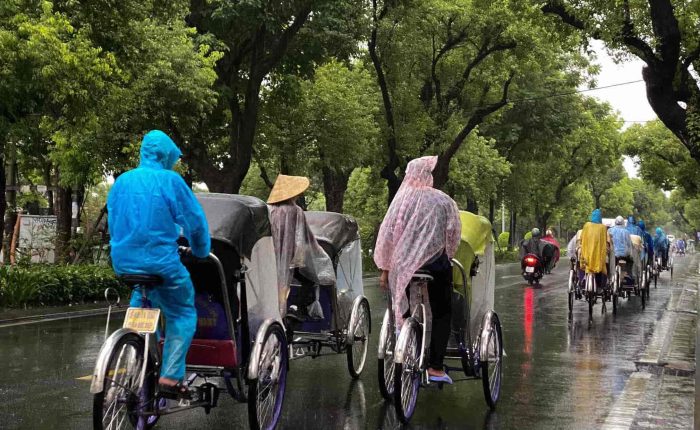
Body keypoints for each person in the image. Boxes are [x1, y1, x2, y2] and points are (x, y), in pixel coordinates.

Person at [108, 130, 211, 399]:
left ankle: (133, 355)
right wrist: (201, 251)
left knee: (142, 299)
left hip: (125, 265)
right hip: (163, 265)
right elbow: (195, 224)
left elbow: (114, 223)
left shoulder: (121, 182)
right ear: (165, 155)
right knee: (181, 313)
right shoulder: (170, 181)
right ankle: (170, 376)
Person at [374, 156, 461, 384]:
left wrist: (385, 269)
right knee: (442, 311)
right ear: (428, 175)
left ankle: (408, 341)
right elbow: (453, 235)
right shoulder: (444, 201)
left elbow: (388, 235)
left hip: (403, 267)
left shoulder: (401, 201)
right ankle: (435, 367)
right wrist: (448, 255)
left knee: (406, 310)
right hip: (435, 266)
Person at [267, 175, 335, 317]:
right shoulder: (295, 210)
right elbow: (304, 237)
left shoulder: (269, 210)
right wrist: (318, 254)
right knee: (310, 279)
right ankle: (295, 307)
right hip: (290, 256)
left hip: (270, 256)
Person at [580, 209, 612, 287]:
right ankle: (601, 286)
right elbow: (605, 242)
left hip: (587, 254)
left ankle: (583, 279)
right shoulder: (603, 228)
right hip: (598, 256)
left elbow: (582, 238)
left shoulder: (586, 225)